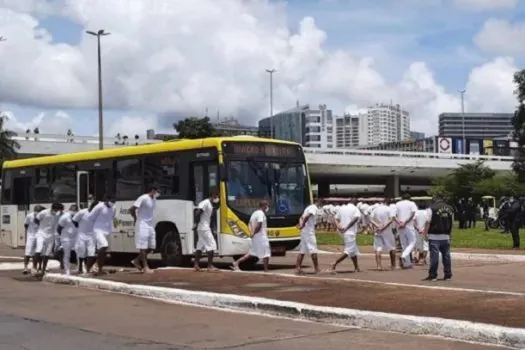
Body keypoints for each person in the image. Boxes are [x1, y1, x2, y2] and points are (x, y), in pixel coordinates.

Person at [232, 200, 271, 272]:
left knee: (251, 253)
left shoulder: (254, 213)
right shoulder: (260, 214)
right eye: (266, 206)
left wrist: (251, 233)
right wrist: (254, 233)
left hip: (255, 237)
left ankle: (236, 263)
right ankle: (266, 269)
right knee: (266, 253)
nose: (267, 207)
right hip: (261, 237)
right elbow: (259, 225)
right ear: (264, 206)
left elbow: (249, 223)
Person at [423, 196, 454, 282]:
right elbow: (451, 222)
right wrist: (450, 234)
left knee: (434, 256)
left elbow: (428, 222)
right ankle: (448, 275)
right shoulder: (450, 208)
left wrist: (425, 233)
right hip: (445, 235)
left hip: (434, 235)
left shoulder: (431, 208)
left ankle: (433, 275)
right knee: (446, 256)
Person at [130, 185, 158, 273]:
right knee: (143, 246)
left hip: (150, 224)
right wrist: (135, 218)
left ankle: (137, 260)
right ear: (153, 190)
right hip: (142, 224)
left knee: (152, 246)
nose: (158, 193)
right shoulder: (143, 198)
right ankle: (145, 267)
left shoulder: (154, 199)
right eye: (157, 191)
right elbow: (132, 209)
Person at [328, 201, 361, 273]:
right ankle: (334, 263)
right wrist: (346, 228)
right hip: (349, 232)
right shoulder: (355, 209)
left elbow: (335, 218)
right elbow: (355, 219)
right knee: (348, 251)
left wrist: (338, 226)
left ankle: (356, 267)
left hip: (342, 232)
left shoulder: (342, 208)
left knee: (353, 251)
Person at [33, 202, 63, 276]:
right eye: (55, 210)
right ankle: (34, 267)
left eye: (57, 210)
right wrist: (41, 226)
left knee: (47, 254)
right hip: (41, 234)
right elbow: (36, 220)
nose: (56, 211)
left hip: (51, 235)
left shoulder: (58, 214)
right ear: (52, 208)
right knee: (38, 250)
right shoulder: (44, 212)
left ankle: (43, 270)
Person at [295, 199, 322, 274]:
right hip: (308, 232)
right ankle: (317, 268)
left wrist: (301, 225)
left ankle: (298, 268)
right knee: (313, 249)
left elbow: (302, 217)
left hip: (305, 231)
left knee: (302, 250)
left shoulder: (308, 207)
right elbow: (307, 216)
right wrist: (303, 225)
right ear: (318, 202)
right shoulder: (313, 208)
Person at [90, 196, 116, 275]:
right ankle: (96, 264)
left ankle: (99, 269)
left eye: (114, 201)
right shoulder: (99, 207)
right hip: (98, 230)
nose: (112, 203)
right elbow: (91, 217)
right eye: (111, 200)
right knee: (104, 245)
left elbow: (112, 218)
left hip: (107, 231)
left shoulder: (113, 207)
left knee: (107, 254)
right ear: (107, 200)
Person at [369, 200, 395, 271]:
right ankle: (393, 265)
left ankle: (379, 266)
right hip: (387, 231)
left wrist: (377, 225)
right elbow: (391, 219)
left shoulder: (375, 209)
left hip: (378, 230)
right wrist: (384, 227)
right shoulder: (389, 209)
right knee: (391, 248)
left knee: (378, 248)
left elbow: (370, 219)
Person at [395, 193, 418, 269]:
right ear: (409, 198)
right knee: (412, 242)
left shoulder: (397, 204)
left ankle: (407, 264)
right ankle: (404, 256)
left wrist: (400, 223)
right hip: (409, 226)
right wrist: (405, 222)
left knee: (404, 245)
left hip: (400, 226)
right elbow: (413, 213)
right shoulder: (412, 203)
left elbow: (393, 215)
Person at [73, 203, 96, 275]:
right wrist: (80, 228)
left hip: (91, 236)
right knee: (81, 252)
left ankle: (88, 269)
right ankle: (80, 268)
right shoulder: (82, 212)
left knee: (91, 253)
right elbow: (74, 220)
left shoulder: (97, 214)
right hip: (81, 235)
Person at [57, 204, 79, 275]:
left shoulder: (78, 216)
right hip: (66, 238)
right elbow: (59, 228)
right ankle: (67, 270)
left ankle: (80, 268)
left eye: (75, 210)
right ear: (70, 210)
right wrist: (63, 236)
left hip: (76, 237)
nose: (74, 212)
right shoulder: (65, 217)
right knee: (67, 254)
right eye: (73, 210)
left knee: (79, 252)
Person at [22, 205, 44, 274]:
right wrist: (29, 232)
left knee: (38, 252)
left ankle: (36, 267)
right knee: (27, 252)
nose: (37, 212)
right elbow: (26, 224)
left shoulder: (42, 217)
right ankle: (25, 267)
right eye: (36, 211)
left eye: (39, 211)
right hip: (31, 236)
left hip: (39, 235)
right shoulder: (29, 216)